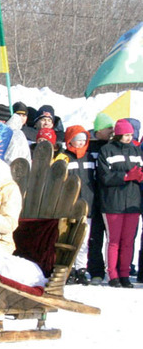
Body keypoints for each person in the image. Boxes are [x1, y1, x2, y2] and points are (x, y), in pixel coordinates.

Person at [96, 118, 142, 288]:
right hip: (113, 201)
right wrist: (124, 176)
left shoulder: (136, 151)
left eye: (130, 134)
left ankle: (125, 273)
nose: (129, 138)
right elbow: (104, 177)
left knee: (129, 240)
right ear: (118, 135)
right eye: (125, 135)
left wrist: (140, 175)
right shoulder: (106, 150)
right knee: (114, 240)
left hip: (132, 200)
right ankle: (113, 274)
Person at [56, 125, 96, 285]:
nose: (80, 143)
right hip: (69, 205)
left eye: (83, 140)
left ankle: (81, 268)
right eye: (77, 140)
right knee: (68, 238)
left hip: (88, 204)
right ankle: (67, 267)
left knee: (83, 239)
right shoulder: (63, 157)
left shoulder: (89, 157)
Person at [87, 112, 115, 284]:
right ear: (99, 129)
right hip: (92, 196)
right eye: (108, 128)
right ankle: (95, 270)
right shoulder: (89, 146)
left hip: (109, 197)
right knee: (94, 236)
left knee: (111, 237)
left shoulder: (113, 146)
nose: (112, 131)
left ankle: (114, 269)